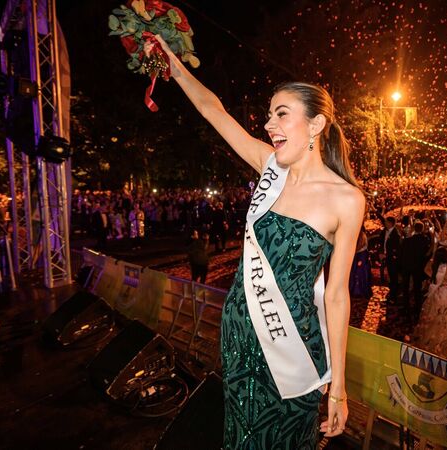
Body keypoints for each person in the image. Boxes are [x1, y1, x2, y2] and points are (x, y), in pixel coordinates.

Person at [159, 38, 365, 449]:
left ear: (316, 125)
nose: (269, 124)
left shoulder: (346, 199)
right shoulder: (269, 167)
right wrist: (172, 64)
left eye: (282, 114)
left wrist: (339, 388)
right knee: (241, 437)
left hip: (292, 348)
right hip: (239, 332)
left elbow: (337, 295)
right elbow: (212, 109)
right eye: (270, 115)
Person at [414, 230, 447, 359]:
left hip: (437, 297)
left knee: (435, 320)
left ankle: (432, 345)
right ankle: (444, 347)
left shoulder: (434, 268)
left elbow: (426, 269)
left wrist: (435, 252)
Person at [399, 221, 431, 321]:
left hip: (406, 266)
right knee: (417, 288)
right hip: (418, 267)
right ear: (422, 229)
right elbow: (427, 253)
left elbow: (402, 253)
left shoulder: (407, 240)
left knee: (405, 287)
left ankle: (406, 307)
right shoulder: (425, 239)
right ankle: (418, 308)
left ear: (414, 228)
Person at [381, 216, 401, 301]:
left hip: (392, 258)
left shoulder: (396, 234)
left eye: (386, 222)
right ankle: (391, 293)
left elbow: (397, 248)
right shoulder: (385, 231)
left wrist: (390, 255)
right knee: (390, 276)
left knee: (393, 277)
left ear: (390, 223)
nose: (385, 223)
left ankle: (393, 296)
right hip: (387, 256)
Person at [348, 226, 371, 298]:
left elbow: (360, 246)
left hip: (361, 255)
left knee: (360, 273)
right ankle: (356, 290)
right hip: (358, 255)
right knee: (355, 272)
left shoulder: (362, 235)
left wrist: (353, 250)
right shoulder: (358, 234)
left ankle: (360, 291)